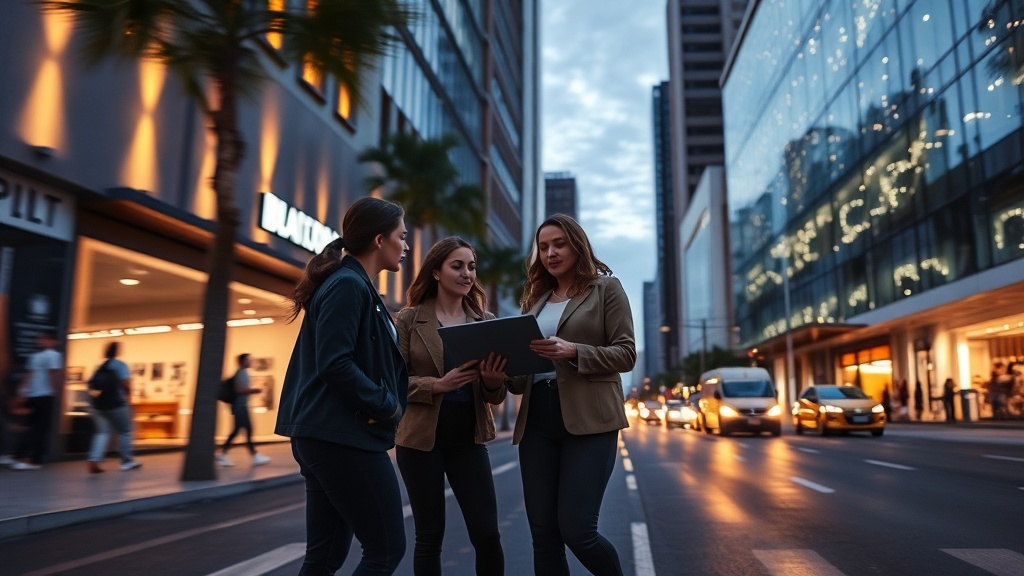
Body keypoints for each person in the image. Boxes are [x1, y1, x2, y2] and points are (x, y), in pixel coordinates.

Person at [276, 197, 410, 575]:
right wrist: (386, 405)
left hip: (329, 433)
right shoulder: (348, 284)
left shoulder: (356, 285)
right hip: (341, 436)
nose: (406, 245)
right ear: (380, 240)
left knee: (325, 558)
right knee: (385, 550)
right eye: (402, 236)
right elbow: (334, 363)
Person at [508, 214, 636, 576]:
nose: (550, 253)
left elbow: (626, 353)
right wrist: (497, 373)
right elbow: (521, 380)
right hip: (537, 421)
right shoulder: (534, 302)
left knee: (578, 531)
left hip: (590, 420)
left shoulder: (606, 289)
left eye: (559, 244)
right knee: (544, 536)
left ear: (577, 246)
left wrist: (574, 351)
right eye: (543, 247)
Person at [393, 237, 508, 575]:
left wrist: (492, 381)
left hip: (468, 440)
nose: (467, 274)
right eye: (457, 266)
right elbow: (394, 381)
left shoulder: (485, 321)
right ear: (436, 272)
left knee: (487, 534)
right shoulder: (409, 320)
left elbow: (495, 396)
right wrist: (437, 385)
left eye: (471, 267)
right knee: (429, 537)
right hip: (419, 442)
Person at [10, 331, 63, 470]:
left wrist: (21, 393)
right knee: (41, 429)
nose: (40, 341)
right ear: (54, 342)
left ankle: (18, 456)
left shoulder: (34, 356)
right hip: (45, 395)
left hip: (33, 396)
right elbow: (53, 374)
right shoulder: (54, 355)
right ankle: (35, 460)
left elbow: (27, 377)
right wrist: (56, 391)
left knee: (32, 427)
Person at [86, 341, 142, 473]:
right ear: (117, 351)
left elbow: (91, 384)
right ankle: (126, 462)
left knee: (102, 432)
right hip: (116, 404)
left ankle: (94, 459)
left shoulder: (101, 367)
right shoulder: (120, 365)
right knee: (125, 431)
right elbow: (126, 383)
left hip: (99, 405)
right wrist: (129, 399)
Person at [216, 353, 270, 467]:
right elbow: (239, 389)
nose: (250, 362)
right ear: (242, 361)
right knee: (243, 430)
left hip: (241, 406)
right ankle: (251, 455)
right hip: (239, 406)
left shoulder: (243, 373)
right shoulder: (241, 373)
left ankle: (225, 454)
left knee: (242, 430)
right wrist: (255, 390)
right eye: (248, 360)